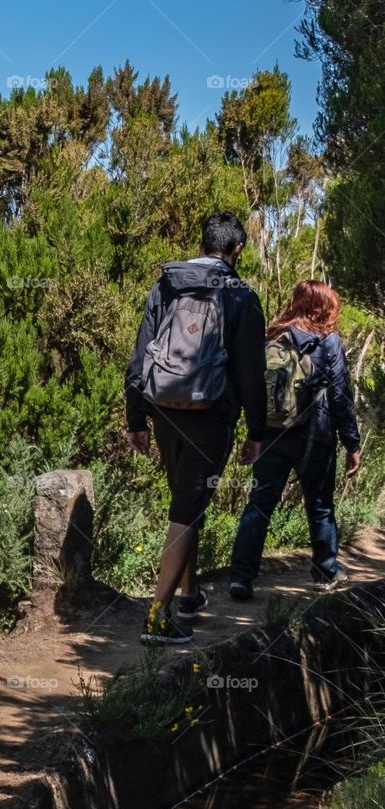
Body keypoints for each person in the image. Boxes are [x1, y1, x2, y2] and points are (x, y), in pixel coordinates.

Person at [125, 212, 267, 645]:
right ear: (236, 249)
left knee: (186, 501)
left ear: (204, 243)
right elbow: (250, 374)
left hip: (164, 407)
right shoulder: (241, 295)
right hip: (211, 413)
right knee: (189, 506)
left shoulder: (167, 284)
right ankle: (157, 616)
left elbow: (140, 355)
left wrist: (136, 417)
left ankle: (189, 593)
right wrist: (256, 431)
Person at [229, 280, 361, 597]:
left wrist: (252, 432)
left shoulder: (272, 336)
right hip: (316, 435)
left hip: (271, 435)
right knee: (320, 506)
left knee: (258, 506)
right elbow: (341, 396)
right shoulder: (327, 341)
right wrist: (352, 443)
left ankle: (241, 578)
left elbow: (251, 387)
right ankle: (326, 572)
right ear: (322, 308)